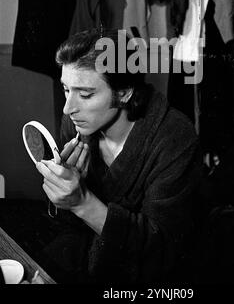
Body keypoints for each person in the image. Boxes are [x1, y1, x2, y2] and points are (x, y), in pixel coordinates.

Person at [35, 28, 202, 286]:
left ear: (124, 92)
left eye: (86, 94)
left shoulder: (175, 137)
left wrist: (82, 202)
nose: (68, 108)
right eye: (66, 89)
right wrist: (62, 195)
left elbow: (163, 251)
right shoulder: (76, 123)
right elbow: (69, 229)